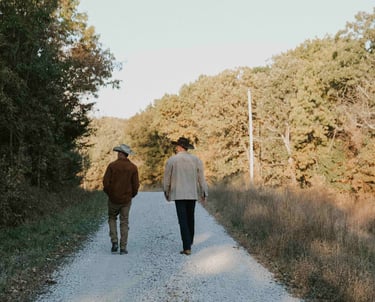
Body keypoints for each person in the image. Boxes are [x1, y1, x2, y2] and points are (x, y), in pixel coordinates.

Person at [163, 137, 208, 255]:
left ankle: (187, 246)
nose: (176, 148)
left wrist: (166, 191)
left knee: (182, 220)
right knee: (190, 218)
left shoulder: (172, 160)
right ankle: (190, 241)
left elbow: (167, 178)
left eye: (177, 146)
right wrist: (204, 192)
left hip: (178, 194)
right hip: (192, 194)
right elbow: (201, 178)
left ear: (179, 147)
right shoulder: (196, 160)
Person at [103, 144, 139, 255]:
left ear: (120, 153)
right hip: (126, 200)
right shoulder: (133, 167)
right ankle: (123, 247)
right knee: (124, 222)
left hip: (113, 198)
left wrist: (110, 193)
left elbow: (105, 182)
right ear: (127, 155)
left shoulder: (112, 166)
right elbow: (136, 185)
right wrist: (131, 195)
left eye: (118, 152)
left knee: (112, 218)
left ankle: (114, 241)